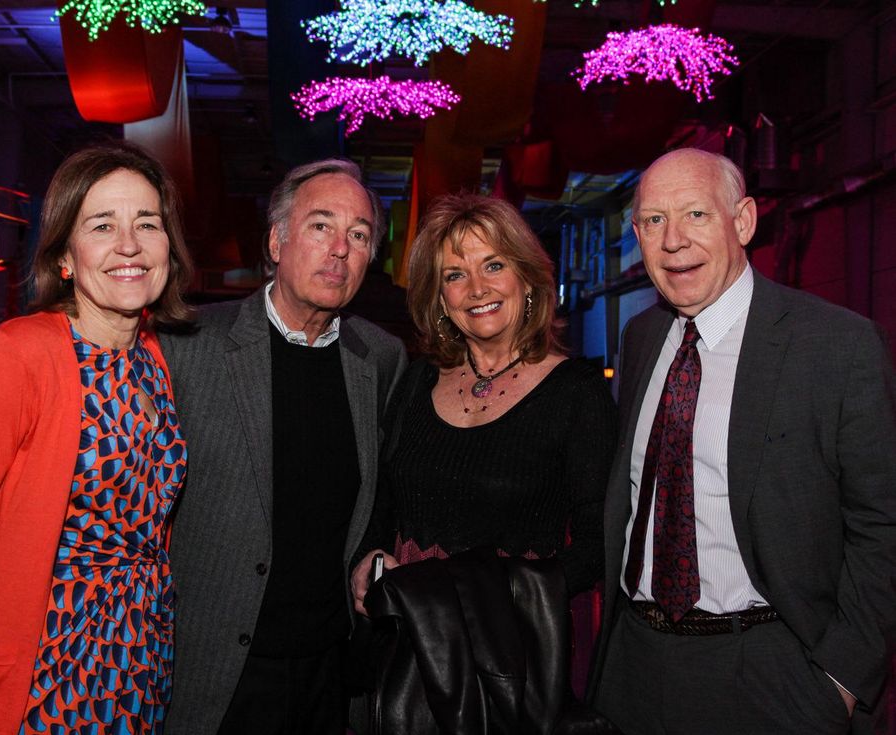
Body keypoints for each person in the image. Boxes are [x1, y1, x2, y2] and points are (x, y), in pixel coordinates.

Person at [590, 148, 896, 734]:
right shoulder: (642, 336)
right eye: (654, 221)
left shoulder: (838, 347)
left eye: (696, 215)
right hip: (633, 663)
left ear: (744, 221)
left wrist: (842, 681)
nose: (673, 240)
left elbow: (882, 525)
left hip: (770, 670)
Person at [0, 141, 195, 734]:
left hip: (140, 666)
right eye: (102, 225)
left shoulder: (152, 357)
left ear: (168, 245)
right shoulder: (17, 356)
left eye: (147, 223)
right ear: (66, 255)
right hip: (44, 678)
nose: (129, 244)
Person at [159, 158, 407, 734]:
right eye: (321, 225)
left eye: (360, 234)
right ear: (277, 240)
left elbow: (380, 489)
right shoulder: (189, 344)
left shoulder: (382, 357)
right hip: (218, 668)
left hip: (329, 666)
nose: (340, 249)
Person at [351, 192, 616, 661]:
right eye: (455, 275)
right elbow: (383, 505)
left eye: (493, 266)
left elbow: (599, 544)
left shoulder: (577, 392)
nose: (476, 288)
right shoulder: (416, 381)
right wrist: (370, 558)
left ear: (527, 279)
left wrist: (495, 596)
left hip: (512, 649)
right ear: (440, 298)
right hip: (408, 643)